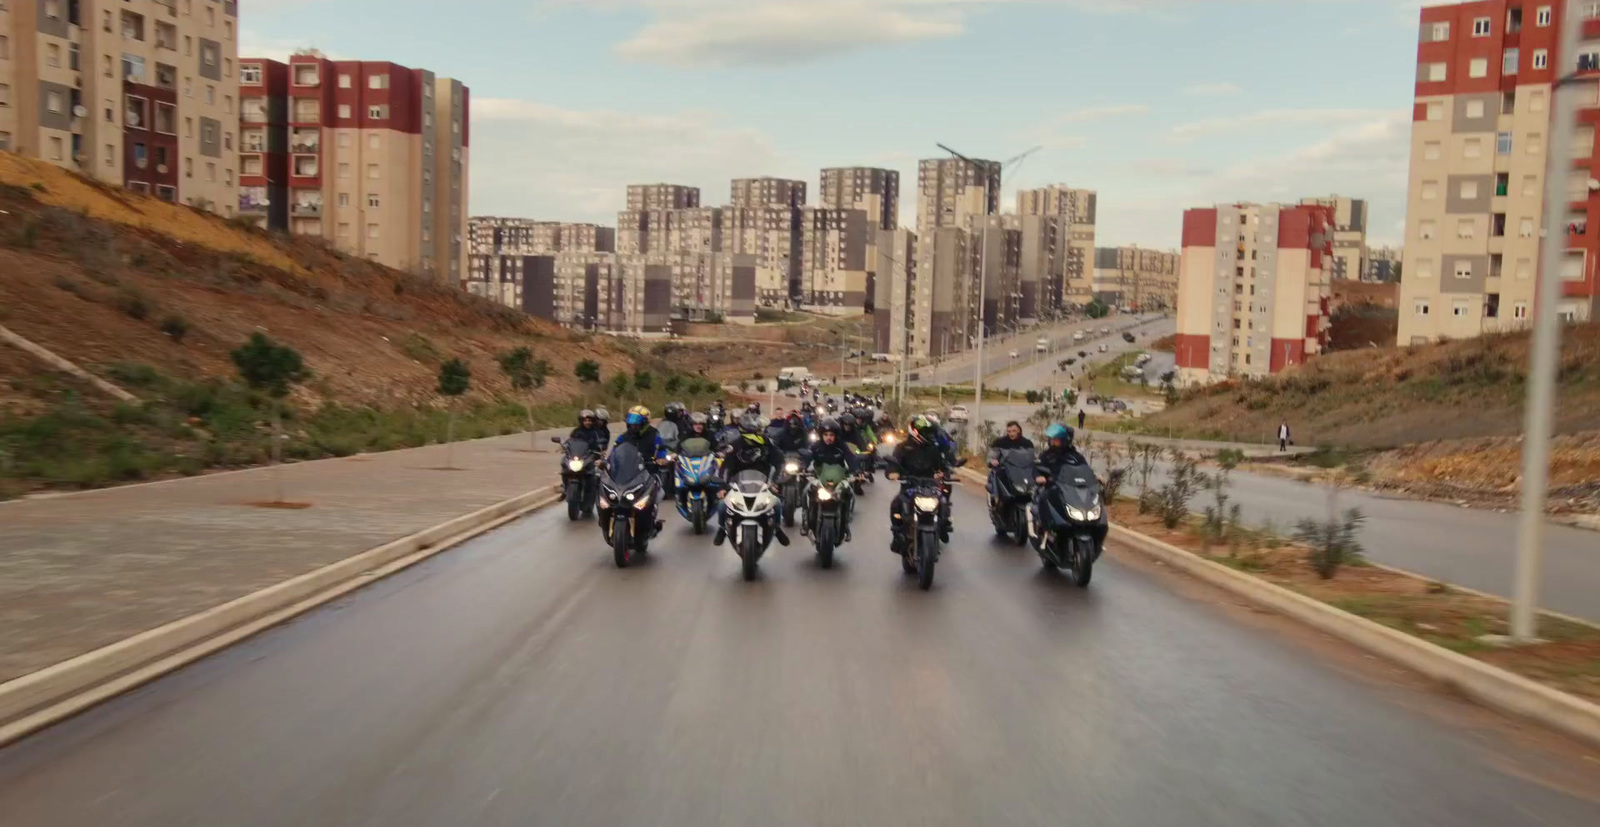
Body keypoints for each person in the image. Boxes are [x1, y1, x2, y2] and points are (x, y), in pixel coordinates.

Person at [713, 413, 790, 547]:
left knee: (777, 503)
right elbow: (726, 467)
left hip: (763, 484)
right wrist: (722, 487)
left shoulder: (767, 443)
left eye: (761, 429)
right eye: (759, 430)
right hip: (738, 485)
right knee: (721, 505)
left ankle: (776, 528)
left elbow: (780, 462)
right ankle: (722, 529)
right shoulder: (735, 445)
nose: (762, 432)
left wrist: (776, 481)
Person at [886, 415, 956, 550]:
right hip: (910, 485)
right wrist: (892, 472)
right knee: (896, 504)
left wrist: (942, 472)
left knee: (943, 502)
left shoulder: (932, 449)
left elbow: (940, 465)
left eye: (930, 432)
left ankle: (942, 527)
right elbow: (893, 464)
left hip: (929, 485)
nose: (929, 435)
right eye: (926, 432)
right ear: (916, 431)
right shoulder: (902, 447)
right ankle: (897, 534)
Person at [803, 418, 860, 540]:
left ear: (835, 436)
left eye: (831, 435)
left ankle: (846, 525)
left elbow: (851, 458)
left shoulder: (841, 446)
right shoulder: (816, 446)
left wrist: (857, 470)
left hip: (839, 479)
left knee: (850, 494)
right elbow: (807, 457)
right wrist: (803, 467)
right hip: (819, 478)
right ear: (821, 435)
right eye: (826, 435)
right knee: (806, 492)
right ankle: (806, 521)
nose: (829, 437)